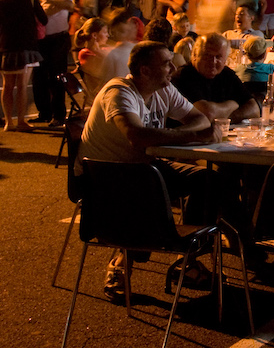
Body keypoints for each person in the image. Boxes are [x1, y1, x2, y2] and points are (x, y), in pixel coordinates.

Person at [77, 41, 222, 301]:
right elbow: (136, 135)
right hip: (105, 177)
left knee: (208, 180)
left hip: (144, 168)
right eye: (166, 63)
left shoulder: (163, 89)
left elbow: (200, 118)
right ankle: (121, 264)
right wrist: (191, 138)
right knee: (150, 187)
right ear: (144, 71)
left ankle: (186, 260)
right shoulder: (120, 92)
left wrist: (175, 135)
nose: (173, 67)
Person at [172, 33, 260, 122]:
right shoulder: (184, 75)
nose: (213, 62)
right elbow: (207, 113)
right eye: (207, 56)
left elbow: (254, 110)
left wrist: (227, 118)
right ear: (194, 55)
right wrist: (232, 104)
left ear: (225, 59)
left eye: (218, 57)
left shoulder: (227, 74)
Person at [0, 0, 47, 131]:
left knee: (7, 85)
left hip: (6, 46)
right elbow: (44, 19)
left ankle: (8, 122)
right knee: (22, 85)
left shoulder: (1, 1)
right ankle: (21, 120)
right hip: (26, 45)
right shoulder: (30, 0)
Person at [29, 0, 74, 127]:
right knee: (38, 77)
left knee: (57, 76)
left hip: (57, 39)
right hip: (39, 41)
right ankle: (44, 113)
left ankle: (59, 115)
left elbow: (70, 5)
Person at [74, 17, 110, 104]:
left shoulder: (105, 49)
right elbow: (109, 64)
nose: (107, 35)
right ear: (94, 35)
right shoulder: (85, 54)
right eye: (105, 32)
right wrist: (98, 51)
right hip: (102, 93)